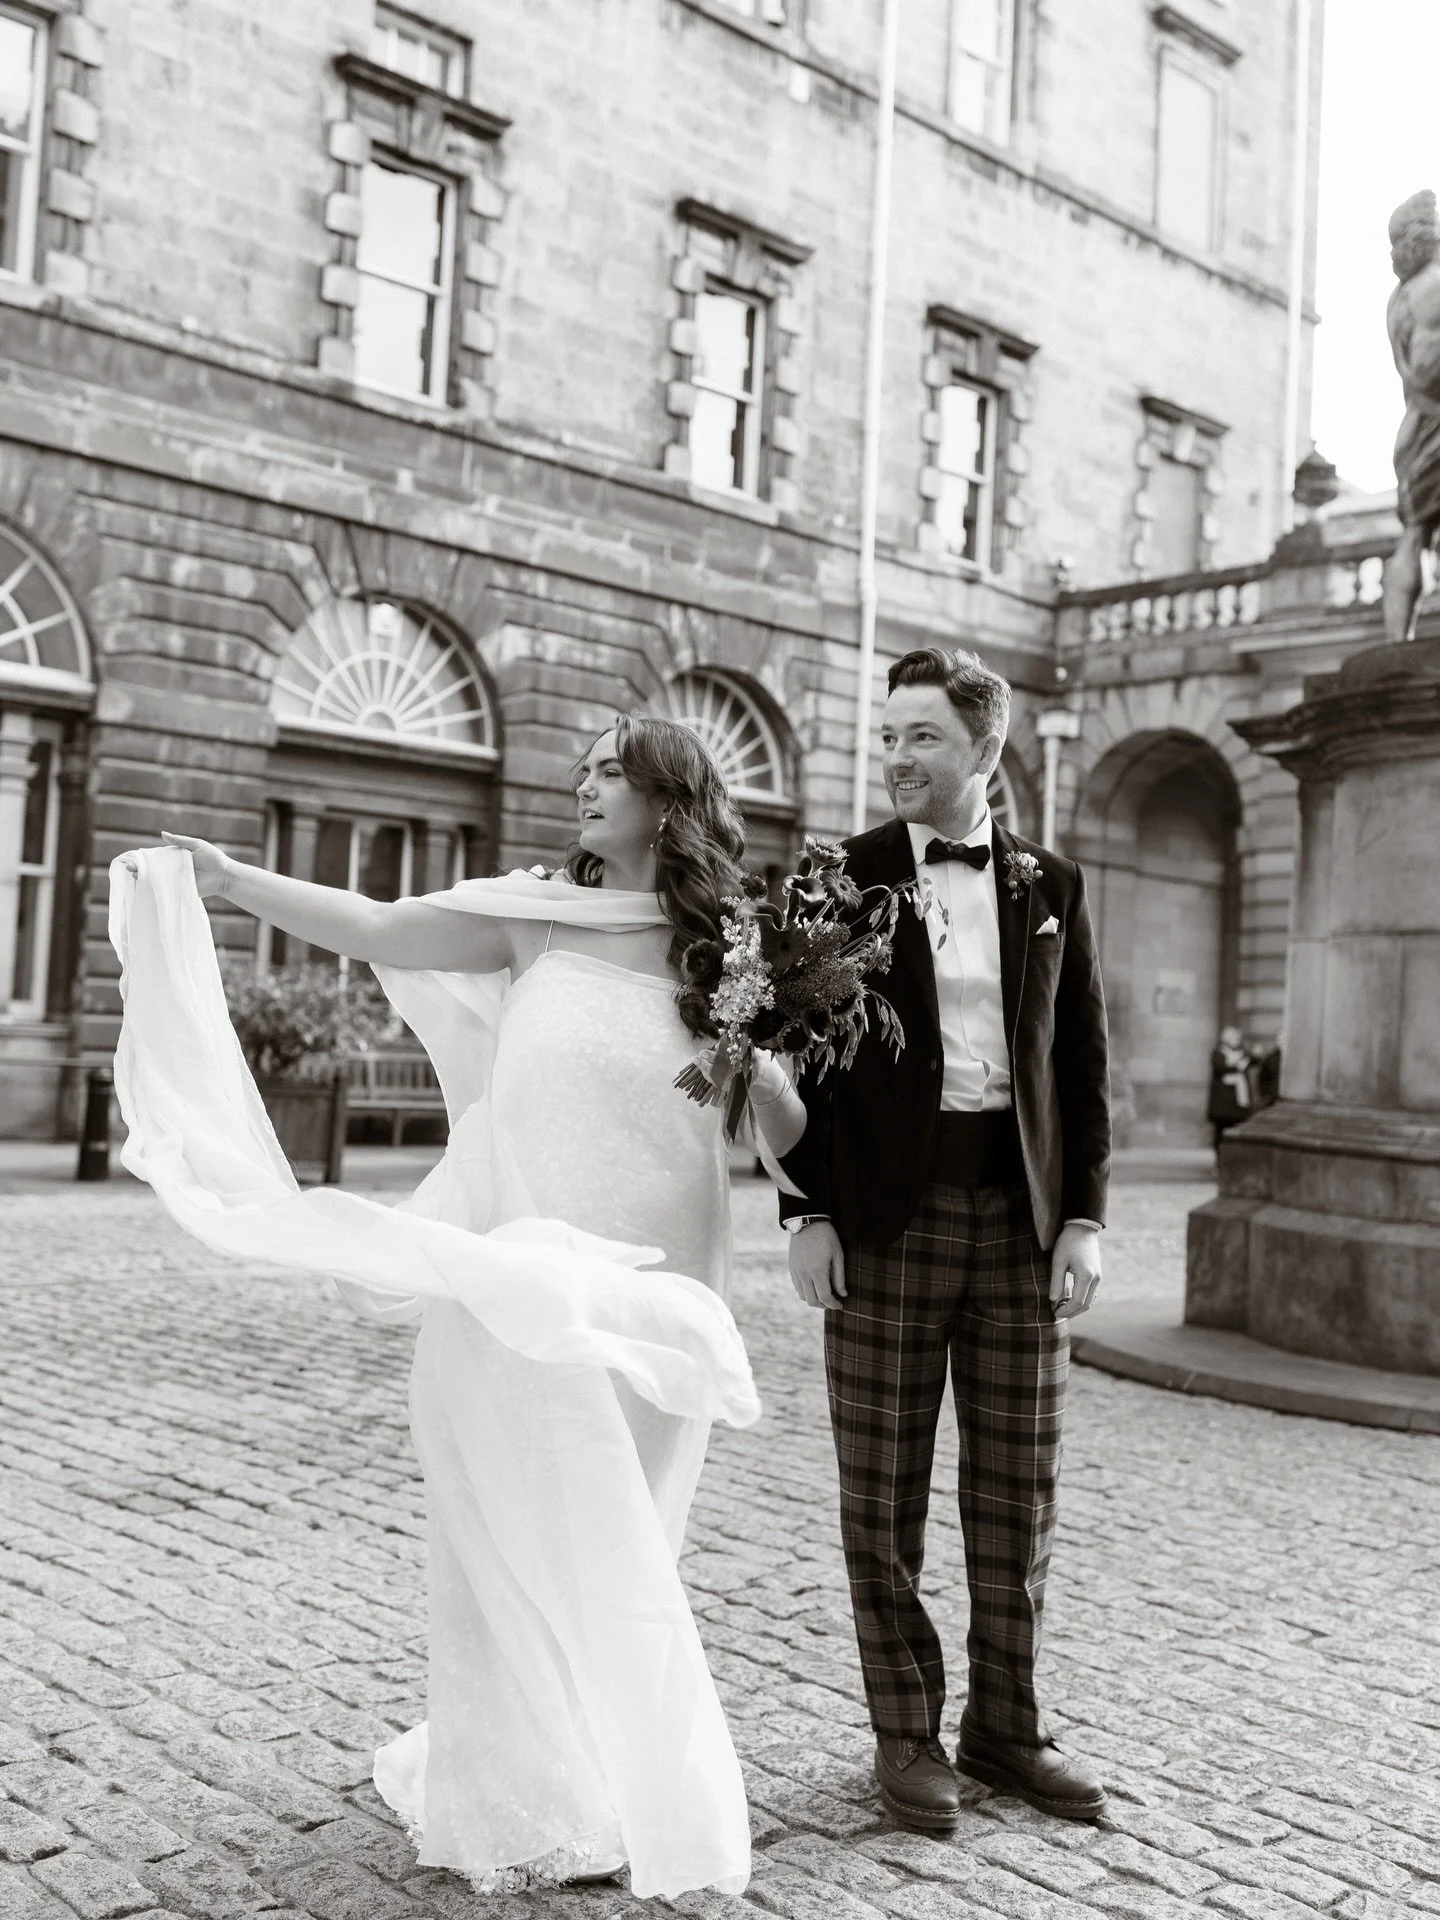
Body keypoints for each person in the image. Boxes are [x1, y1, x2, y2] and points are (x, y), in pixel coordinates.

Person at [112, 716, 805, 1898]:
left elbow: (781, 1138)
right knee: (518, 1505)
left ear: (670, 798)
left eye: (610, 773)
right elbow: (378, 927)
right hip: (520, 1258)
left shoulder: (725, 951)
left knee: (626, 1523)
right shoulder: (533, 916)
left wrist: (750, 1039)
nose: (584, 786)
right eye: (581, 770)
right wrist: (229, 881)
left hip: (661, 1270)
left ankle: (607, 1766)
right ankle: (523, 1791)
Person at [779, 647, 1111, 1833]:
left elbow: (1080, 1067)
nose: (896, 758)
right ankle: (906, 1734)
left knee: (1019, 1493)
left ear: (983, 748)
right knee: (883, 1498)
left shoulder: (1053, 887)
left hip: (1020, 1234)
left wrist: (1083, 1216)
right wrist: (804, 1211)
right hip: (884, 1228)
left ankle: (1009, 1731)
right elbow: (787, 1064)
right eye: (887, 737)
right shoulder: (837, 880)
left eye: (920, 736)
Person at [1383, 189, 1440, 645]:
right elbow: (1429, 369)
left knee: (1415, 533)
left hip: (1414, 426)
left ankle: (1396, 640)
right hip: (1435, 419)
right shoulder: (1436, 285)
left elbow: (1412, 371)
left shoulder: (1398, 299)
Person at [1207, 1024, 1255, 1150]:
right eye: (1235, 1037)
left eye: (1238, 1037)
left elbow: (1255, 1060)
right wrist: (1237, 1066)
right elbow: (1220, 1068)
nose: (1238, 1039)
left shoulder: (1243, 1054)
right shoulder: (1219, 1053)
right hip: (1223, 1104)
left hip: (1238, 1102)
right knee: (1221, 1133)